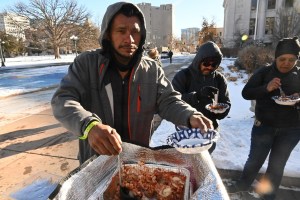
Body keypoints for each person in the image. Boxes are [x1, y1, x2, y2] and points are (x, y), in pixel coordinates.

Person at [51, 2, 213, 164]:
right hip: (95, 162)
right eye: (121, 31)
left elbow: (168, 101)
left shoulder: (152, 69)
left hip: (137, 161)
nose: (129, 39)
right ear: (108, 34)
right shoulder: (86, 64)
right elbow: (63, 100)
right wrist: (89, 126)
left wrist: (190, 115)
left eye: (135, 32)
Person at [228, 37, 300, 200]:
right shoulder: (265, 72)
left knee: (277, 164)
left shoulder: (298, 74)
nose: (286, 63)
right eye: (282, 59)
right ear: (276, 58)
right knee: (255, 160)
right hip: (264, 126)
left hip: (291, 129)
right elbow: (246, 93)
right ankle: (243, 184)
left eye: (292, 60)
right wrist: (266, 88)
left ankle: (268, 194)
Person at [172, 41, 231, 153]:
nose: (209, 67)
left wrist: (219, 111)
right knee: (188, 163)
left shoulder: (219, 79)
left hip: (208, 131)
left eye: (214, 64)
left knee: (204, 161)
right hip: (186, 131)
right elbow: (173, 102)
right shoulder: (184, 76)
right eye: (206, 63)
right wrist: (197, 96)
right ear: (199, 60)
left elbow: (226, 104)